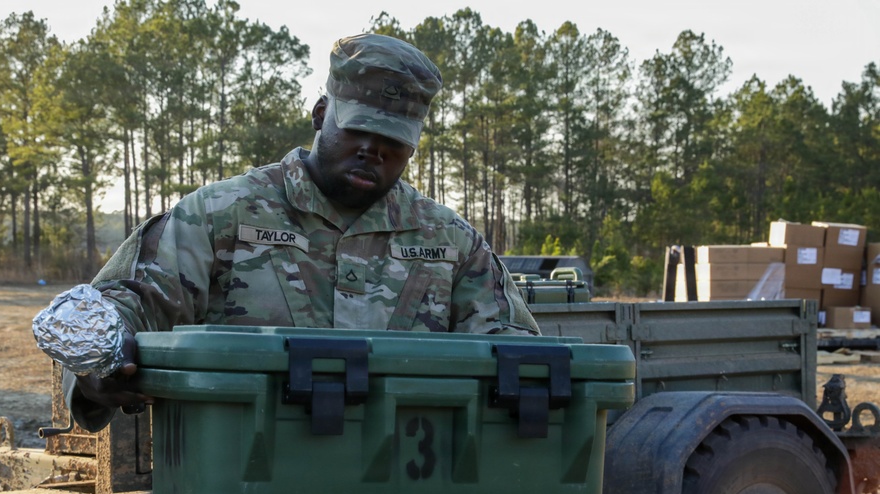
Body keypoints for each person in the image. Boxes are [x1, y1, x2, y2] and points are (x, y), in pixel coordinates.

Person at [53, 33, 540, 432]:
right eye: (357, 130)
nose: (373, 150)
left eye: (393, 140)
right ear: (321, 114)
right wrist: (99, 370)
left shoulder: (449, 241)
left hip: (404, 492)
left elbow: (513, 348)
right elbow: (128, 305)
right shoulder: (223, 214)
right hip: (244, 493)